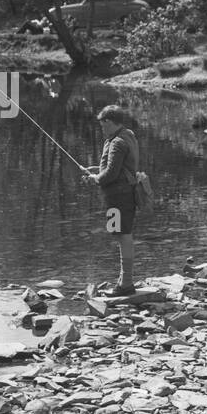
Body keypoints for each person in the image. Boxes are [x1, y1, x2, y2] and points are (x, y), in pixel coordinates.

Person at [83, 105, 140, 295]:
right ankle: (124, 280)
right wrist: (96, 171)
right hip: (124, 195)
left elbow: (111, 174)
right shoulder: (127, 135)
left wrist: (96, 178)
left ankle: (126, 284)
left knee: (122, 235)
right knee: (120, 234)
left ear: (108, 122)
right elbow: (117, 167)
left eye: (102, 125)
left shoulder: (117, 142)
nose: (101, 129)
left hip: (118, 197)